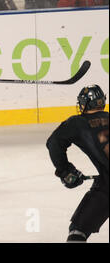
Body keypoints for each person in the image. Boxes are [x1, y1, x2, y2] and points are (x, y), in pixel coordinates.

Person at [46, 84, 109, 242]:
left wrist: (65, 171)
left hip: (107, 186)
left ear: (86, 104)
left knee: (78, 232)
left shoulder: (78, 122)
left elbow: (54, 143)